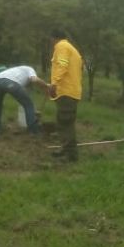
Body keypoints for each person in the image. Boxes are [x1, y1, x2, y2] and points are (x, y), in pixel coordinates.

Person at [49, 30, 84, 162]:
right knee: (64, 122)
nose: (51, 43)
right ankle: (65, 149)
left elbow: (62, 65)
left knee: (65, 123)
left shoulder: (61, 47)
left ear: (54, 38)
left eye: (51, 40)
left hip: (66, 92)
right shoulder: (72, 49)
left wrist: (54, 83)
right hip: (72, 91)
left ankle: (71, 156)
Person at [0, 65, 51, 135]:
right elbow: (34, 80)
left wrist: (34, 112)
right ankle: (34, 131)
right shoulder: (30, 69)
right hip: (10, 82)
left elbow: (26, 93)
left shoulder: (17, 71)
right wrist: (46, 86)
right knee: (28, 105)